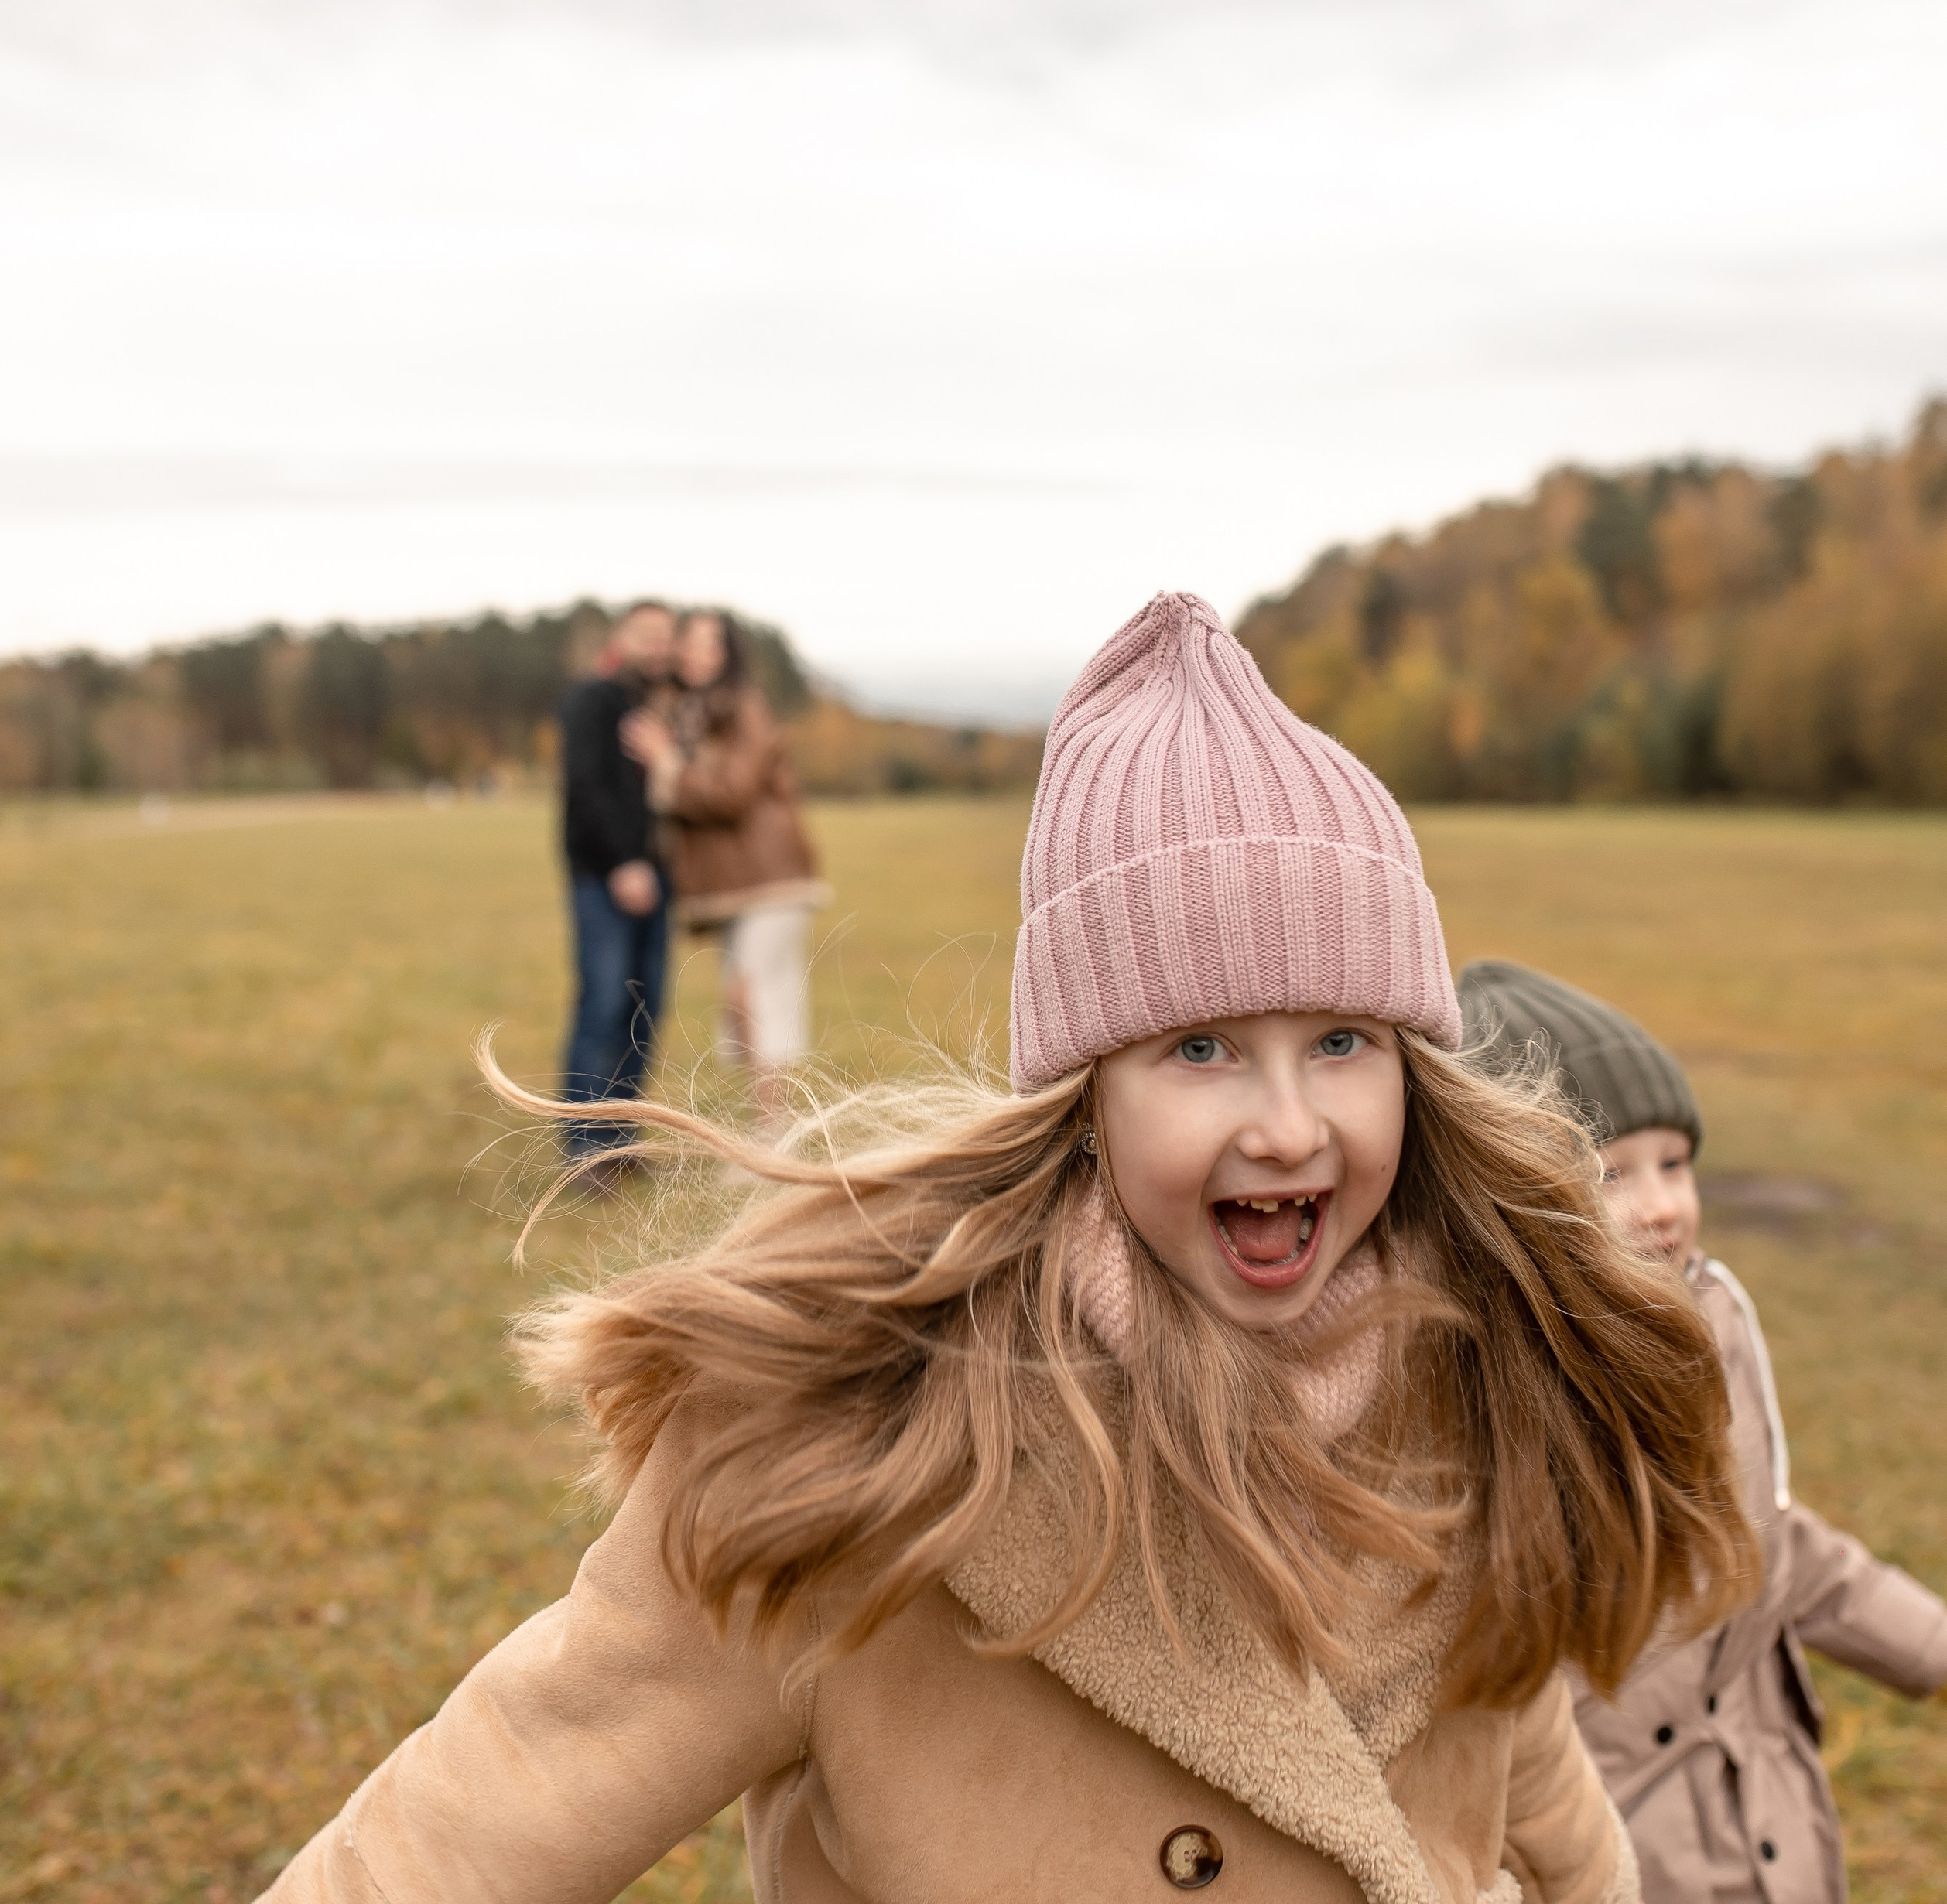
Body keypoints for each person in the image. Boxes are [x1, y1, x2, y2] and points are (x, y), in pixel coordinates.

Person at [261, 595, 1758, 1904]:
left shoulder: (1477, 1379)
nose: (1290, 1125)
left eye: (1344, 1041)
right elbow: (490, 1809)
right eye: (1201, 1048)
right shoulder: (851, 1460)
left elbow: (1528, 1767)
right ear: (1086, 1097)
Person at [1457, 959, 1947, 1904]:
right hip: (1623, 1855)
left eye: (1674, 1163)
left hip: (1769, 1818)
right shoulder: (1483, 1396)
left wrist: (1929, 1644)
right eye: (1610, 1172)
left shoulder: (1712, 1319)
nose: (1662, 1205)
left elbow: (1764, 1539)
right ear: (1506, 1200)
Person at [622, 609, 826, 1132]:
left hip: (772, 878)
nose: (696, 654)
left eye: (710, 645)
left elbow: (732, 793)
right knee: (748, 1006)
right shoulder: (693, 714)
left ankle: (771, 1136)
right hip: (735, 887)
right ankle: (772, 1129)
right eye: (690, 643)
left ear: (729, 655)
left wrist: (665, 761)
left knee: (752, 999)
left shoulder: (744, 707)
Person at [559, 600, 675, 1162]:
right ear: (620, 638)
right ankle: (584, 1144)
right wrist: (623, 863)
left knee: (644, 1011)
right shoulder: (591, 699)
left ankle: (621, 1137)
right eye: (645, 633)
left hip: (659, 880)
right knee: (604, 1005)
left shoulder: (659, 709)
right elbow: (585, 789)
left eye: (665, 636)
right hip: (604, 880)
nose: (657, 646)